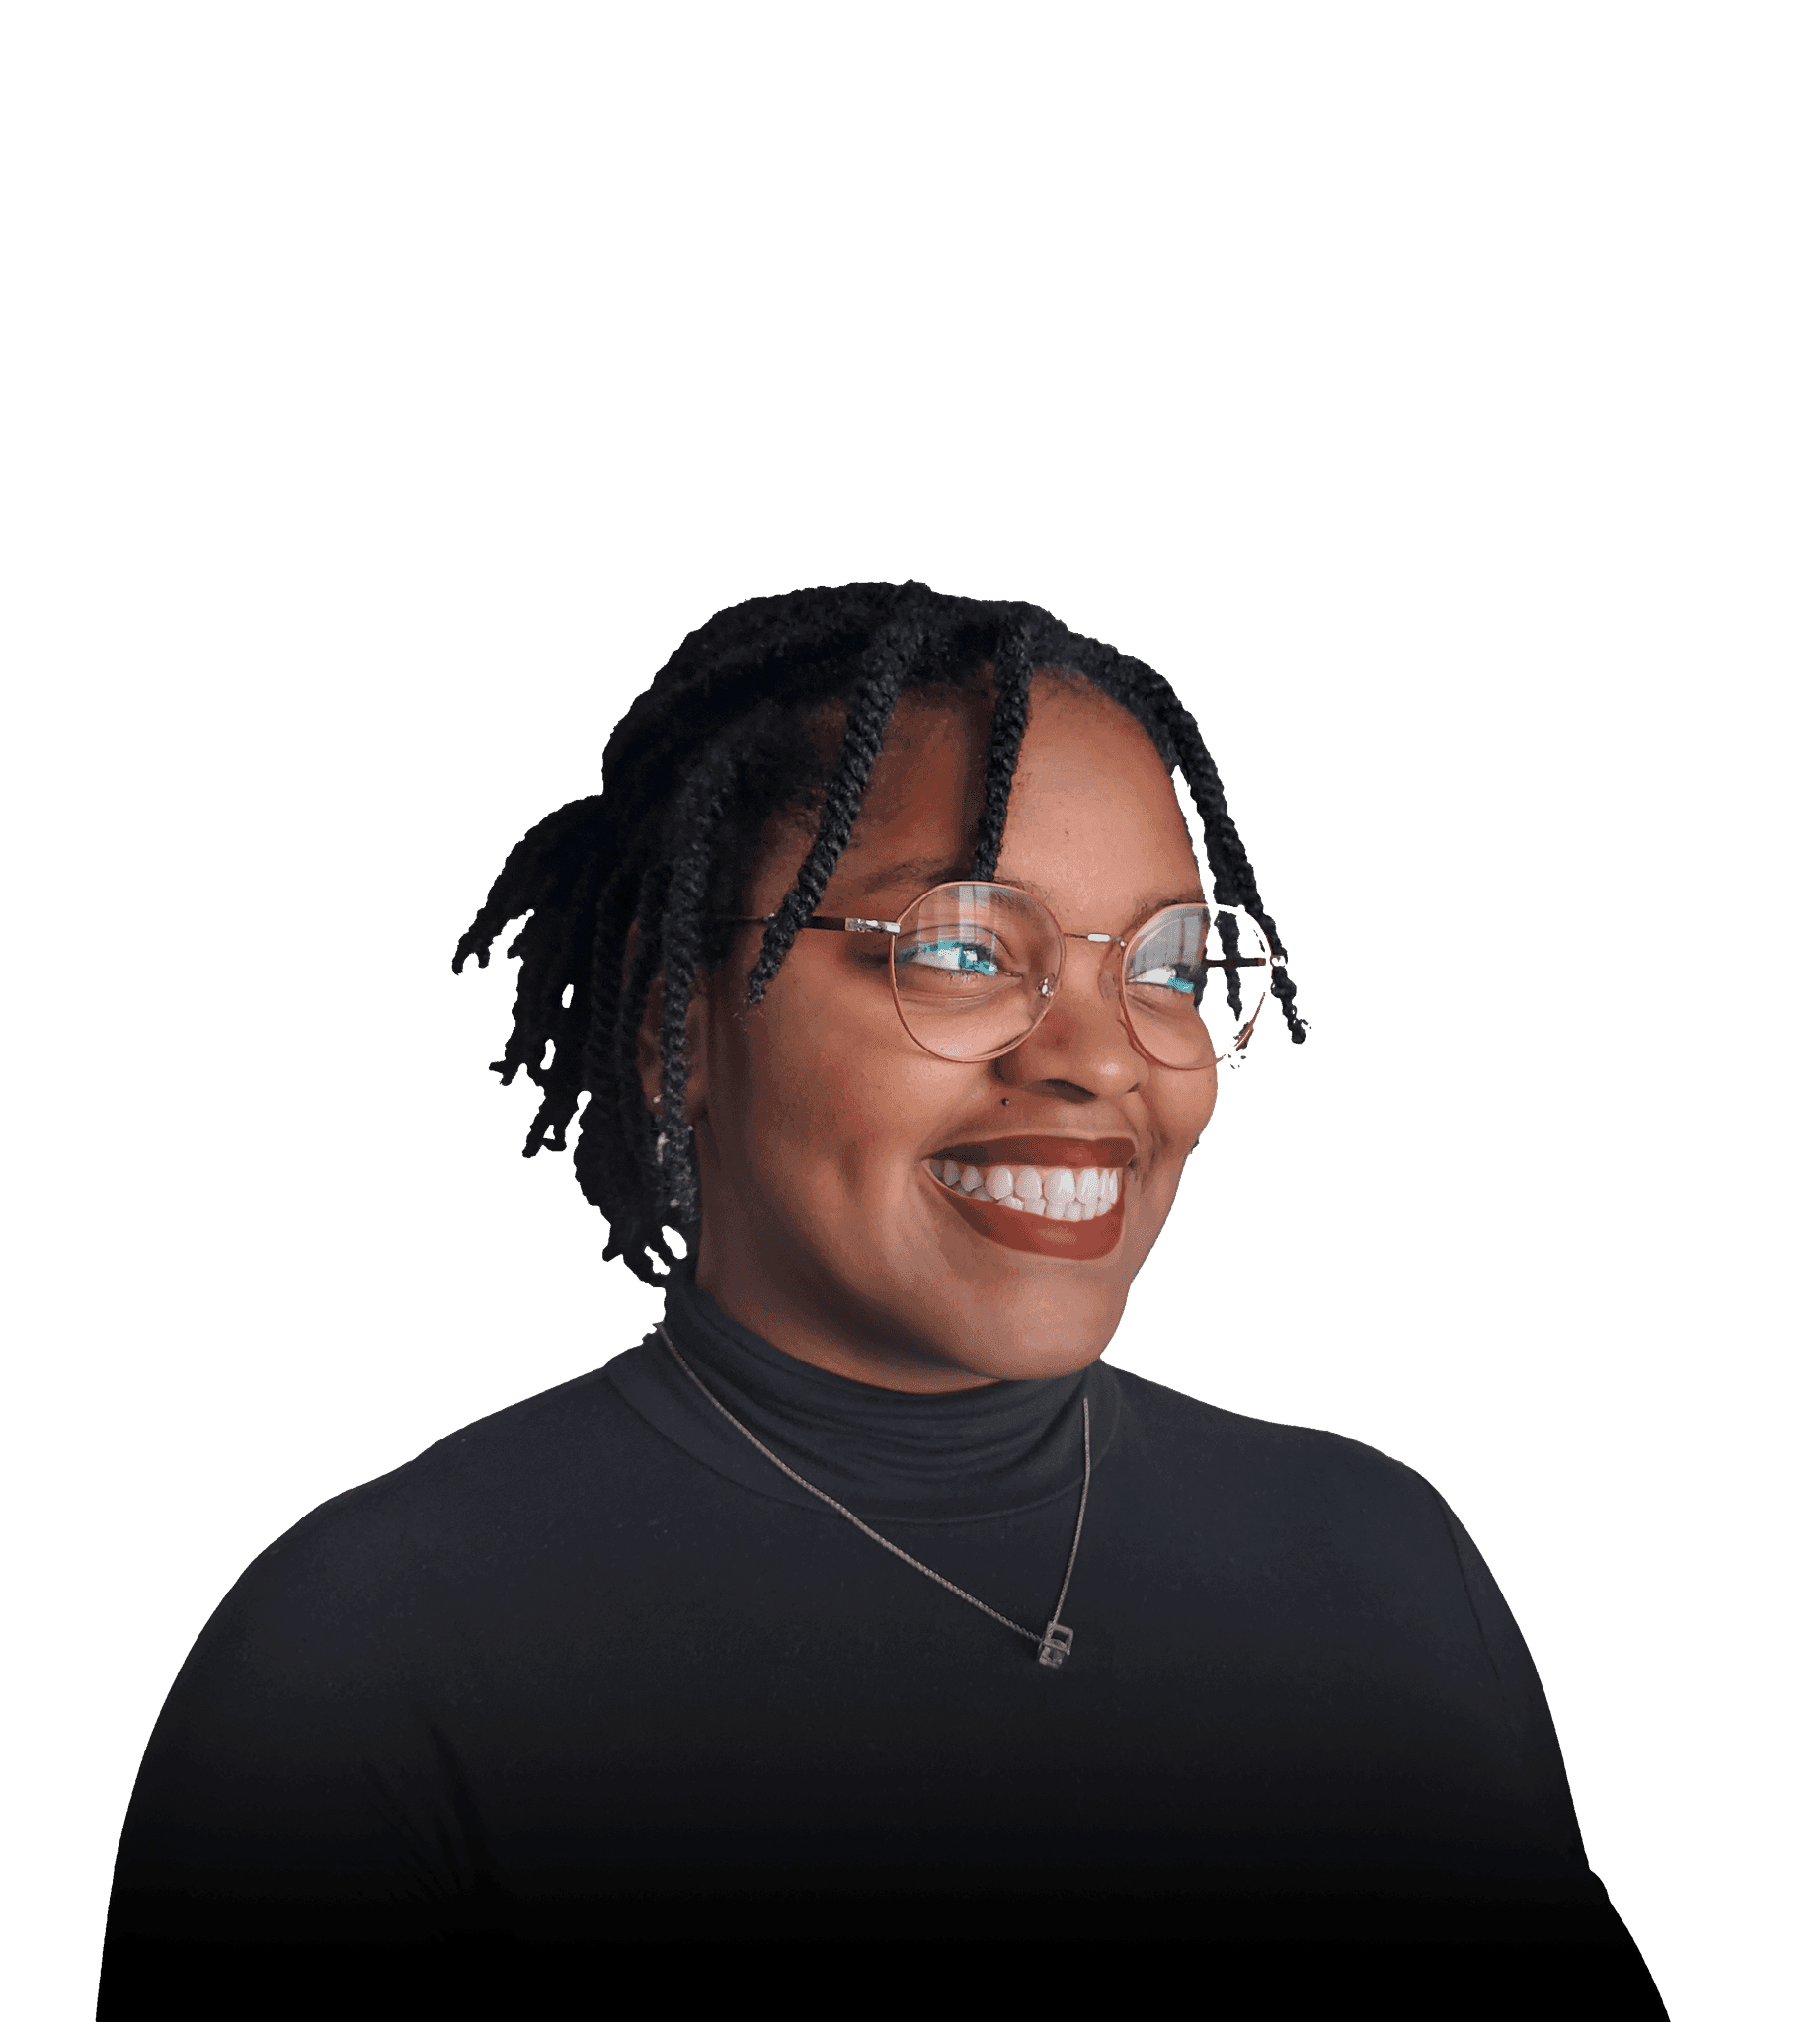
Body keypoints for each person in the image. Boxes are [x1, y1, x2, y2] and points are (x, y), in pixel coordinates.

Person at [99, 583, 1667, 2011]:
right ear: (672, 1016)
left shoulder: (1385, 1568)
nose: (1100, 1059)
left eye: (1167, 967)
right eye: (964, 951)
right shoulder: (359, 1664)